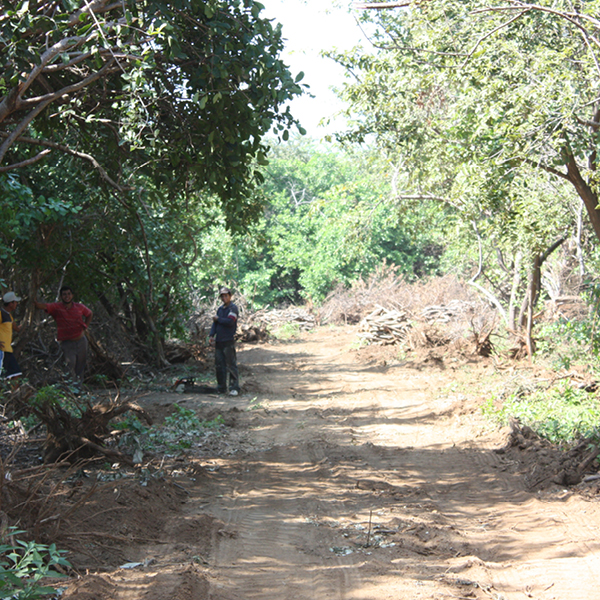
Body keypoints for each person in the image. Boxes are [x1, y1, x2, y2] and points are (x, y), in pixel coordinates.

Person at [35, 286, 93, 383]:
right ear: (61, 296)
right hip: (67, 343)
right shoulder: (57, 307)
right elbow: (44, 306)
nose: (67, 296)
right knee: (70, 365)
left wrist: (85, 327)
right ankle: (69, 388)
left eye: (69, 294)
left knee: (80, 365)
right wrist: (33, 300)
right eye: (64, 294)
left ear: (72, 295)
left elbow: (89, 313)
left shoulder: (79, 307)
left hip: (81, 341)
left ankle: (78, 389)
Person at [209, 287, 240, 396]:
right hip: (219, 341)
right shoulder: (220, 309)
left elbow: (230, 321)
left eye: (226, 295)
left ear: (230, 296)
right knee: (219, 365)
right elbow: (215, 323)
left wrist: (218, 319)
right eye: (222, 296)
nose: (224, 298)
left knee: (231, 365)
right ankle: (221, 387)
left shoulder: (233, 308)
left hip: (228, 340)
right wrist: (211, 335)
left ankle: (234, 387)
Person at [0, 292, 24, 380]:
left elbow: (15, 328)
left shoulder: (9, 316)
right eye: (15, 302)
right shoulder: (0, 313)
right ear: (11, 303)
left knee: (16, 373)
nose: (16, 304)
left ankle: (14, 393)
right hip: (1, 351)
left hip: (7, 350)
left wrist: (25, 324)